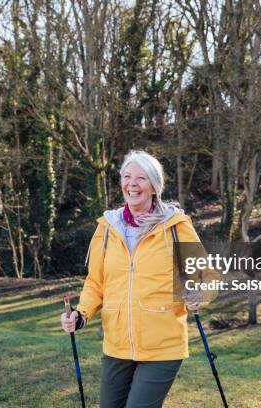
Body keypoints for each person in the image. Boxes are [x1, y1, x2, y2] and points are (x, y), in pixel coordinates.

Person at [61, 150, 205, 408]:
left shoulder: (175, 226)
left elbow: (204, 274)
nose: (132, 184)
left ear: (154, 186)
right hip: (117, 345)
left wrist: (197, 294)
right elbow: (95, 282)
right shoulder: (107, 227)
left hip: (162, 346)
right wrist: (80, 314)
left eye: (140, 178)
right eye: (127, 177)